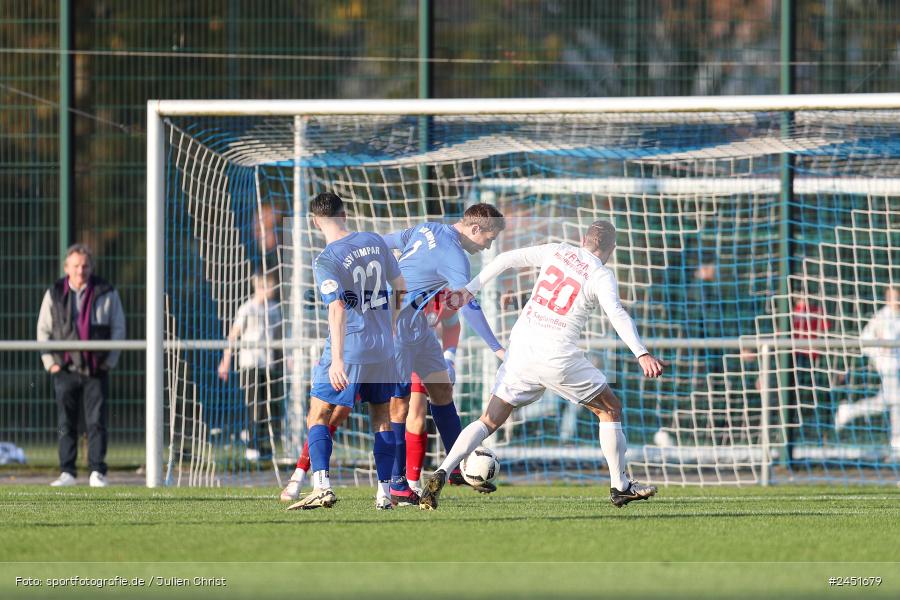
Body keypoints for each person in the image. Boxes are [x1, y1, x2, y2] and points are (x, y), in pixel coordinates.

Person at [419, 220, 664, 510]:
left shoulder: (557, 252)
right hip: (557, 354)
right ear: (610, 248)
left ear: (584, 239)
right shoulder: (600, 274)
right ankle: (620, 486)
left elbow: (504, 258)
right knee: (610, 409)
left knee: (489, 420)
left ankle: (443, 471)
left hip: (521, 350)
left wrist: (469, 289)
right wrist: (641, 352)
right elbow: (617, 314)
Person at [381, 204, 507, 505]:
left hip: (418, 330)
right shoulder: (455, 256)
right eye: (488, 238)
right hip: (395, 328)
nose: (488, 245)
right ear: (475, 229)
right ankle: (397, 482)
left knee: (441, 391)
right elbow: (468, 305)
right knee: (400, 408)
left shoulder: (427, 227)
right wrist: (498, 348)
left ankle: (456, 467)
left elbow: (386, 243)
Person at [287, 192, 406, 511]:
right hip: (383, 348)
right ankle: (384, 493)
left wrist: (337, 359)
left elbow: (337, 308)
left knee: (319, 413)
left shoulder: (327, 258)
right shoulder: (375, 240)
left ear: (314, 221)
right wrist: (391, 326)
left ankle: (321, 484)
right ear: (345, 213)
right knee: (381, 417)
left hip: (351, 348)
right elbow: (401, 286)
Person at [36, 243, 126, 487]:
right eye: (76, 266)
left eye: (85, 265)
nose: (80, 270)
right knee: (66, 421)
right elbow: (43, 330)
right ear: (67, 267)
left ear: (91, 267)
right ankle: (68, 472)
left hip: (96, 369)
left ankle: (97, 471)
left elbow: (118, 329)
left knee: (96, 421)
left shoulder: (106, 291)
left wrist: (110, 361)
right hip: (64, 369)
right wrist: (50, 363)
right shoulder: (54, 292)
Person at [218, 271, 284, 461]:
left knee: (267, 405)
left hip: (268, 363)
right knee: (254, 404)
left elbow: (278, 337)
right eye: (269, 286)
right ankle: (252, 444)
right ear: (260, 287)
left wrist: (286, 358)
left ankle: (259, 441)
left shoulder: (273, 310)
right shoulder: (247, 309)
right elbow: (233, 336)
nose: (272, 290)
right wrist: (226, 361)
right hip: (250, 363)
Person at [835, 286, 900, 450]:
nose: (895, 300)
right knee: (896, 402)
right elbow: (865, 341)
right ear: (887, 298)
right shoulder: (881, 317)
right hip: (889, 367)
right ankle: (897, 444)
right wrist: (880, 350)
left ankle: (849, 411)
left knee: (888, 402)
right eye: (892, 296)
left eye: (897, 296)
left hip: (897, 367)